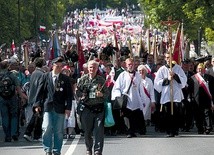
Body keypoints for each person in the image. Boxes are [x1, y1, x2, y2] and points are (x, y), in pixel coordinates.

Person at [34, 57, 73, 155]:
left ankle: (57, 150)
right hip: (48, 106)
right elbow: (40, 91)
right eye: (57, 66)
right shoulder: (45, 76)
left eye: (61, 66)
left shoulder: (65, 79)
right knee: (46, 127)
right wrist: (37, 104)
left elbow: (69, 95)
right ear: (52, 66)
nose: (59, 68)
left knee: (58, 131)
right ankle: (48, 149)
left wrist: (68, 108)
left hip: (60, 108)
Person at [76, 60, 109, 155]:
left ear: (97, 69)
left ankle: (98, 150)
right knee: (87, 131)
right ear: (88, 68)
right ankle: (88, 148)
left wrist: (101, 94)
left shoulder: (101, 80)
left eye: (94, 67)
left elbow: (107, 94)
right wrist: (82, 95)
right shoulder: (83, 79)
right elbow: (77, 91)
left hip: (98, 109)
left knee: (99, 130)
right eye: (90, 67)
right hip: (87, 108)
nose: (92, 69)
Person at [111, 58, 147, 138]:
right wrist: (117, 96)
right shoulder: (122, 75)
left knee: (135, 115)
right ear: (126, 65)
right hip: (126, 99)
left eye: (132, 64)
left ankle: (134, 130)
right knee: (127, 116)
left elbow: (141, 88)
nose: (130, 66)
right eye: (129, 64)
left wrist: (143, 100)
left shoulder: (137, 75)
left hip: (135, 98)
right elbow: (117, 87)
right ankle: (128, 131)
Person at [154, 52, 187, 137]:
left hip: (175, 94)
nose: (168, 59)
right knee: (167, 113)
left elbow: (184, 80)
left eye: (170, 57)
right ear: (165, 58)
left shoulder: (178, 68)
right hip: (166, 94)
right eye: (167, 57)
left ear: (172, 58)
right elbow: (157, 83)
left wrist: (175, 76)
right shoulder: (162, 69)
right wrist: (167, 79)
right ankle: (169, 130)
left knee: (176, 112)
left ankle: (175, 129)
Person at [0, 60, 24, 142]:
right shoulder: (11, 75)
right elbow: (18, 87)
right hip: (12, 98)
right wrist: (22, 97)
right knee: (14, 116)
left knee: (4, 116)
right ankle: (14, 133)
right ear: (8, 67)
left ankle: (7, 135)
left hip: (2, 99)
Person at [23, 58, 46, 142]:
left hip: (32, 97)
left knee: (36, 116)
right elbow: (41, 87)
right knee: (38, 117)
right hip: (38, 98)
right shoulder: (42, 74)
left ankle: (31, 133)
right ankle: (32, 134)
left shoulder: (33, 73)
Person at [190, 63, 214, 134]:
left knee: (207, 113)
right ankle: (200, 128)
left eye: (202, 68)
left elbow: (212, 89)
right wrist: (190, 98)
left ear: (204, 69)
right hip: (197, 99)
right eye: (199, 69)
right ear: (197, 70)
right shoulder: (193, 78)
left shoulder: (210, 78)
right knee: (198, 114)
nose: (200, 70)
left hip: (207, 98)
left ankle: (208, 127)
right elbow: (190, 89)